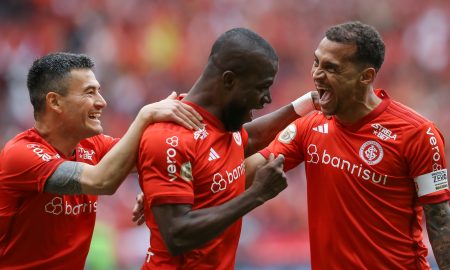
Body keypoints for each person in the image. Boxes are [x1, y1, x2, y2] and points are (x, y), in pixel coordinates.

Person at [246, 21, 450, 269]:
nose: (317, 74)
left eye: (331, 68)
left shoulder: (417, 134)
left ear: (366, 76)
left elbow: (440, 221)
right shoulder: (309, 126)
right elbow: (246, 172)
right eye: (316, 62)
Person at [0, 52, 204, 269]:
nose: (102, 102)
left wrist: (159, 185)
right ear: (55, 102)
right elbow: (101, 181)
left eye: (99, 91)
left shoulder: (93, 145)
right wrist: (145, 116)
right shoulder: (21, 154)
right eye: (90, 93)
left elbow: (166, 159)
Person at [137, 28, 318, 269]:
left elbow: (249, 138)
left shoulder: (222, 125)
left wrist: (306, 104)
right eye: (262, 87)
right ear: (229, 80)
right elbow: (177, 234)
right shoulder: (170, 138)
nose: (267, 98)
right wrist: (257, 194)